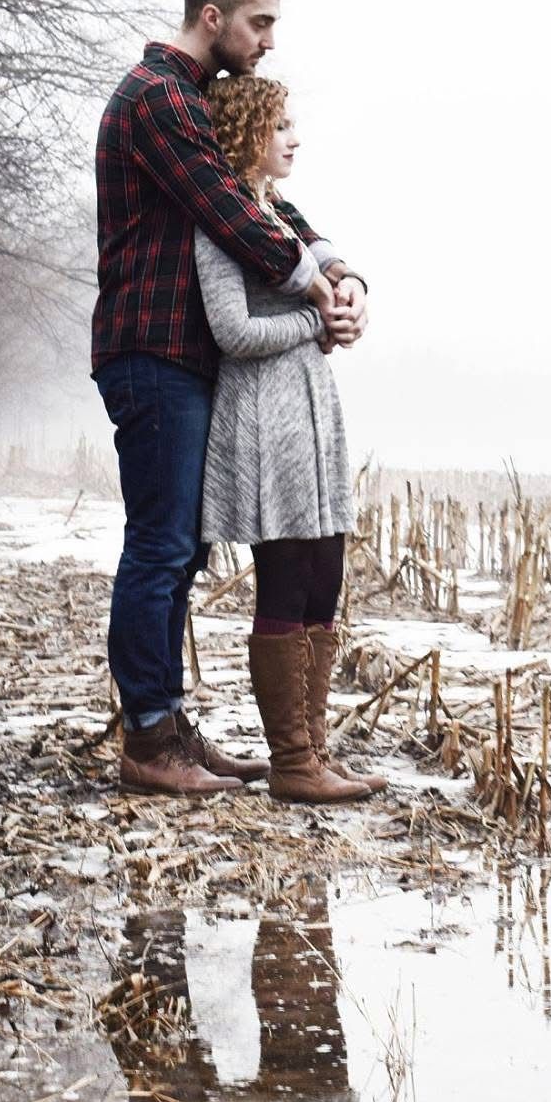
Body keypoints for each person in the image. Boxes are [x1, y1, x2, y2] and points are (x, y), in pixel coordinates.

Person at [92, 0, 369, 797]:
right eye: (259, 22)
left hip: (188, 357)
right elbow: (230, 214)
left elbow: (270, 206)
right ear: (212, 18)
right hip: (154, 352)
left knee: (183, 552)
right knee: (162, 546)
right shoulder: (159, 100)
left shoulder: (196, 102)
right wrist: (318, 298)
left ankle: (169, 725)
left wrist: (345, 273)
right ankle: (147, 739)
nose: (269, 41)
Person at [199, 76, 386, 802]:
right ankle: (290, 764)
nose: (294, 138)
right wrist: (317, 321)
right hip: (261, 416)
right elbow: (232, 331)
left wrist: (341, 304)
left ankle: (313, 750)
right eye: (279, 126)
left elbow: (324, 269)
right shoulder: (220, 223)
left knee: (324, 573)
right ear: (247, 133)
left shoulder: (276, 213)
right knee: (284, 575)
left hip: (309, 410)